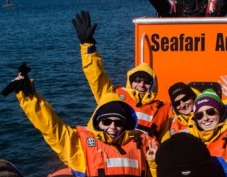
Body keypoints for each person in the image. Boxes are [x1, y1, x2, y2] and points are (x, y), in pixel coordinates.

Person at [2, 64, 154, 177]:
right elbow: (52, 128)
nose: (112, 127)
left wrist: (154, 162)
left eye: (118, 122)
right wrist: (29, 97)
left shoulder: (140, 143)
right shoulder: (81, 147)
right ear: (97, 121)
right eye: (106, 121)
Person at [72, 11, 171, 142]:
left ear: (152, 85)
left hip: (141, 158)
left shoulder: (162, 108)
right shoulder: (114, 95)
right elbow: (96, 76)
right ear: (130, 81)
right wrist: (87, 46)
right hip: (110, 150)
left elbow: (166, 141)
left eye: (146, 81)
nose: (141, 85)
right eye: (137, 80)